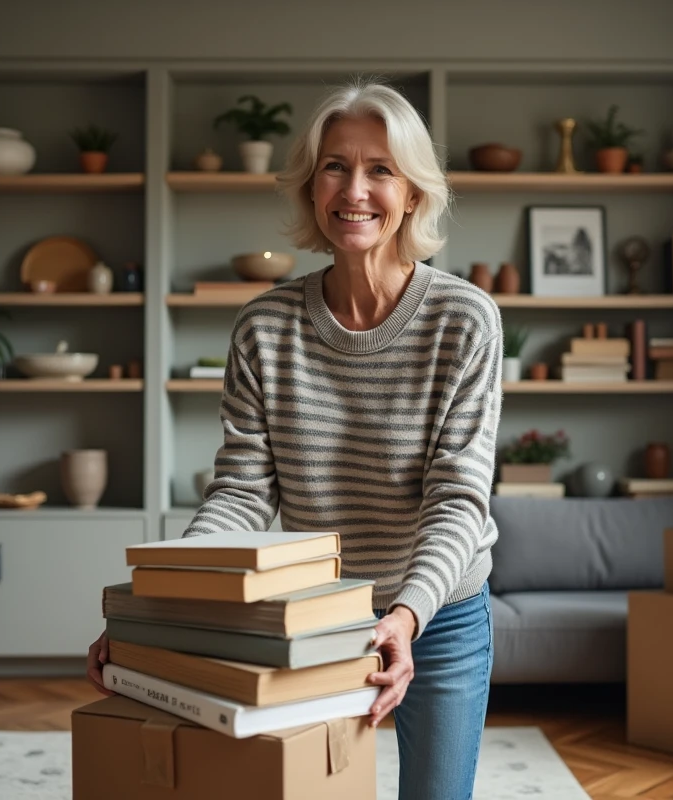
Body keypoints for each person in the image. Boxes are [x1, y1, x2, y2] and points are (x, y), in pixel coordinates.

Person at [87, 77, 502, 800]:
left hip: (439, 614)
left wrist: (405, 616)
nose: (356, 189)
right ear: (312, 189)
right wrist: (157, 612)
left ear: (412, 193)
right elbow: (243, 492)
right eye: (336, 166)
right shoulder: (264, 326)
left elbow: (459, 499)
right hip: (315, 619)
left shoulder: (465, 320)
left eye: (381, 169)